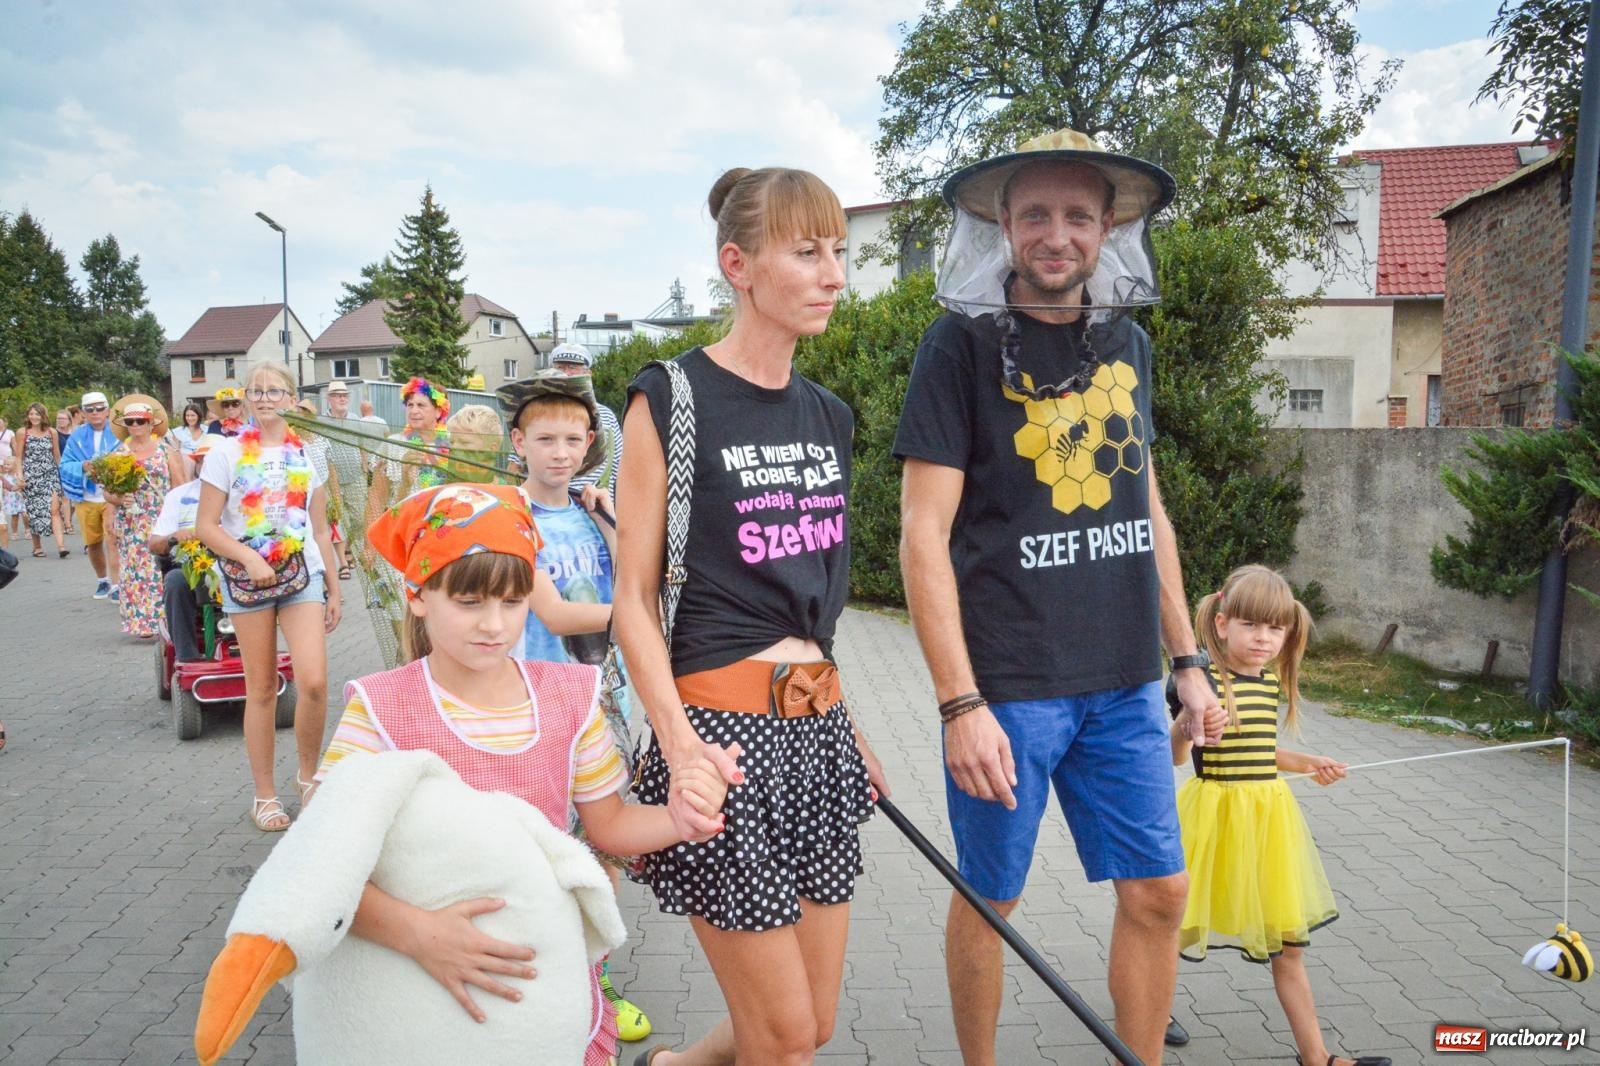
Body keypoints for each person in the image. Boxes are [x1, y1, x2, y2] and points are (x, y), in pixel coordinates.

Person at [893, 128, 1218, 1065]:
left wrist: (1187, 661)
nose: (1056, 234)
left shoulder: (1130, 345)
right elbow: (922, 533)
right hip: (1010, 688)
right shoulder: (956, 346)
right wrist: (959, 704)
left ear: (1108, 225)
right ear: (1004, 222)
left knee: (1159, 893)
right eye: (1035, 213)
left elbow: (1143, 504)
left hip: (1123, 681)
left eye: (1078, 215)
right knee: (992, 902)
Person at [614, 166, 887, 1066]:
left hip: (815, 740)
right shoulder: (673, 397)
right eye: (807, 251)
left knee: (808, 1024)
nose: (834, 274)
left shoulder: (830, 416)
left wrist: (844, 724)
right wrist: (679, 744)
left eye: (839, 251)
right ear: (739, 263)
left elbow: (818, 610)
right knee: (781, 1041)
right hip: (720, 744)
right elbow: (633, 604)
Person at [311, 481, 731, 1066]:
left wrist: (678, 820)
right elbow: (323, 862)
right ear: (417, 595)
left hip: (540, 977)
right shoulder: (380, 709)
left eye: (512, 603)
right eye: (469, 602)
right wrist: (418, 934)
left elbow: (607, 827)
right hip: (413, 984)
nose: (494, 625)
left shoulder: (570, 698)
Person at [1169, 566, 1387, 1066]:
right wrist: (1189, 722)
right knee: (1167, 925)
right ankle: (1146, 1012)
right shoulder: (1201, 681)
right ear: (1222, 624)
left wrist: (1308, 764)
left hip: (1269, 822)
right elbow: (1178, 756)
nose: (1264, 638)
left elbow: (1262, 751)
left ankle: (1318, 1057)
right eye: (1251, 625)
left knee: (1290, 945)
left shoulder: (1268, 685)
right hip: (1213, 818)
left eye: (1275, 628)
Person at [496, 373, 652, 1042]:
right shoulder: (510, 516)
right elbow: (555, 613)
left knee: (602, 846)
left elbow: (637, 576)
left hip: (602, 699)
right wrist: (642, 617)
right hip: (535, 703)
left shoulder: (596, 508)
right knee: (543, 850)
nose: (560, 453)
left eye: (571, 440)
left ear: (590, 443)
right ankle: (541, 979)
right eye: (545, 440)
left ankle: (596, 979)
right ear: (519, 443)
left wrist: (608, 518)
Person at [197, 363, 342, 833]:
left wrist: (334, 586)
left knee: (315, 682)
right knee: (260, 689)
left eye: (274, 390)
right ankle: (264, 794)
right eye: (255, 391)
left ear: (291, 397)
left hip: (301, 577)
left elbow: (320, 528)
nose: (263, 398)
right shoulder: (226, 452)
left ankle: (308, 776)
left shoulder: (310, 454)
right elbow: (206, 526)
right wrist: (249, 558)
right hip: (247, 579)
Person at [106, 397, 187, 638]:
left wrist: (181, 518)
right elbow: (108, 491)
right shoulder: (119, 453)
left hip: (161, 516)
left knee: (162, 568)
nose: (135, 425)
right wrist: (120, 500)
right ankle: (143, 624)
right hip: (132, 521)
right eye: (130, 422)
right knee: (136, 570)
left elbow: (180, 485)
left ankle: (167, 619)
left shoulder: (166, 450)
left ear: (151, 423)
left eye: (140, 421)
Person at [150, 434, 225, 663]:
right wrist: (174, 536)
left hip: (232, 563)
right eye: (203, 460)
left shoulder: (241, 496)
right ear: (198, 463)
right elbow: (154, 543)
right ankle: (187, 657)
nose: (208, 465)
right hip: (191, 565)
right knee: (175, 581)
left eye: (214, 460)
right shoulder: (179, 496)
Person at [59, 391, 124, 599]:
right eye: (90, 409)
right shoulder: (76, 436)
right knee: (93, 543)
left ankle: (117, 586)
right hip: (86, 497)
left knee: (112, 538)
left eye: (99, 408)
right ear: (83, 412)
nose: (95, 413)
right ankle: (102, 580)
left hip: (111, 496)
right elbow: (65, 464)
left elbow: (128, 457)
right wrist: (83, 466)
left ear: (107, 410)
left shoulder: (118, 432)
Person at [549, 345, 622, 493]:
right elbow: (517, 466)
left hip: (595, 507)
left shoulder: (606, 416)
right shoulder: (535, 412)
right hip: (546, 507)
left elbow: (620, 466)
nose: (566, 373)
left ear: (588, 373)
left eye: (573, 367)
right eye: (560, 367)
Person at [16, 403, 67, 558]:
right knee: (34, 512)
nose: (34, 417)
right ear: (27, 416)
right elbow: (19, 457)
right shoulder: (22, 432)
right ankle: (37, 546)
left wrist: (64, 475)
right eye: (31, 414)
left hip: (50, 474)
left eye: (37, 414)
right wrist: (20, 475)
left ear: (43, 415)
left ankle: (61, 546)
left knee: (55, 510)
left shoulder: (52, 432)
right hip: (31, 476)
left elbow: (57, 456)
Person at [53, 409, 76, 534]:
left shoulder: (75, 433)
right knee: (65, 497)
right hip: (59, 466)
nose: (60, 421)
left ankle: (66, 519)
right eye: (58, 418)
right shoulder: (53, 433)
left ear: (69, 420)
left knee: (74, 501)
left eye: (63, 418)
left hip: (75, 467)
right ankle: (67, 524)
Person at [174, 403, 209, 477]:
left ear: (198, 416)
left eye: (193, 415)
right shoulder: (178, 432)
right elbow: (175, 452)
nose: (190, 418)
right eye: (187, 415)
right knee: (187, 461)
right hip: (185, 466)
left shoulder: (206, 431)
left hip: (203, 464)